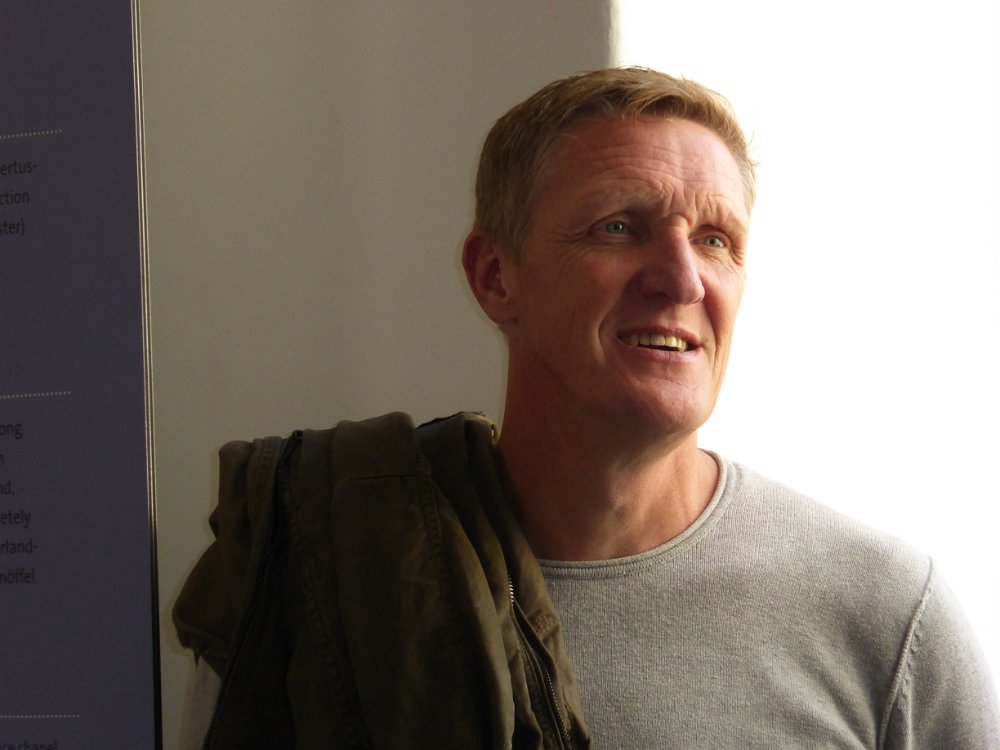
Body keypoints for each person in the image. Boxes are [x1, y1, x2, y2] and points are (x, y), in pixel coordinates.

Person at [175, 67, 999, 749]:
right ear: (496, 277)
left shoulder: (886, 613)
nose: (682, 279)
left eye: (716, 240)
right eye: (618, 227)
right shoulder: (321, 559)